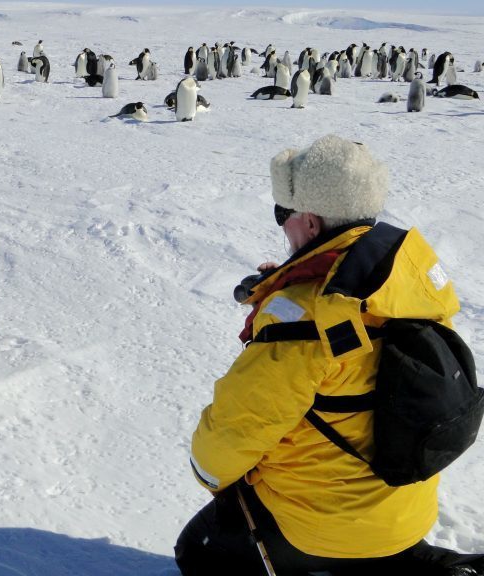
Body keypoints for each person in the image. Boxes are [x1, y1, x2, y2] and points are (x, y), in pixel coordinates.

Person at [175, 134, 483, 576]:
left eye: (285, 214)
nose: (282, 226)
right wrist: (292, 282)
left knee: (198, 553)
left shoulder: (301, 323)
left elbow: (227, 441)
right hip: (404, 514)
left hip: (322, 526)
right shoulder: (407, 287)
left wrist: (209, 476)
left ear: (312, 224)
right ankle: (419, 564)